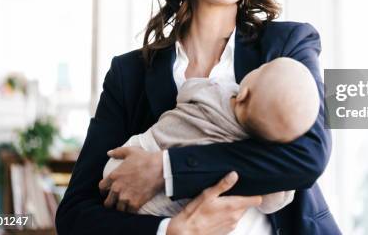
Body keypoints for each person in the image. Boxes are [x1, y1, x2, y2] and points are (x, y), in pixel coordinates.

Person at [55, 0, 341, 234]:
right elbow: (75, 215)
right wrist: (171, 231)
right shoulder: (129, 74)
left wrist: (166, 169)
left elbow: (308, 155)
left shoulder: (287, 45)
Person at [102, 57, 319, 224]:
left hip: (134, 164)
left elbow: (314, 157)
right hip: (161, 212)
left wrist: (166, 167)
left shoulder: (297, 38)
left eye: (261, 69)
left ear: (242, 95)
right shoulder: (126, 68)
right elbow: (273, 201)